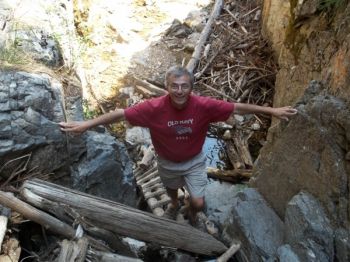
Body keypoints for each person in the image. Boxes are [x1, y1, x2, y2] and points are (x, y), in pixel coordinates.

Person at [59, 66, 297, 227]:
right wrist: (86, 124)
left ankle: (192, 213)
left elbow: (237, 108)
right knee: (172, 191)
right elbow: (120, 114)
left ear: (191, 87)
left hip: (194, 162)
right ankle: (174, 204)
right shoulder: (153, 108)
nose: (179, 91)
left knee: (197, 201)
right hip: (166, 163)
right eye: (175, 86)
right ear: (167, 86)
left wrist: (273, 111)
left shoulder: (203, 105)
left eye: (184, 86)